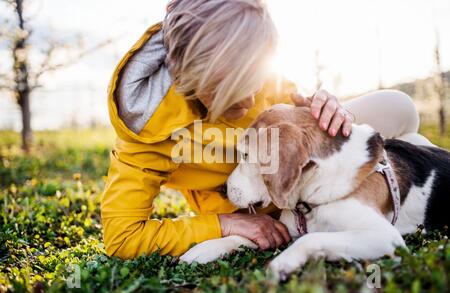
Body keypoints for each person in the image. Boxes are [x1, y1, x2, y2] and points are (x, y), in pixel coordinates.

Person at [101, 0, 432, 259]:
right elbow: (122, 236)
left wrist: (325, 108)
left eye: (255, 82)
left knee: (399, 107)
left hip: (299, 171)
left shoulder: (254, 66)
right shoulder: (145, 125)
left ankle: (405, 184)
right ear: (191, 76)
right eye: (233, 91)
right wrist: (224, 224)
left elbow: (292, 109)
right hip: (245, 198)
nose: (250, 100)